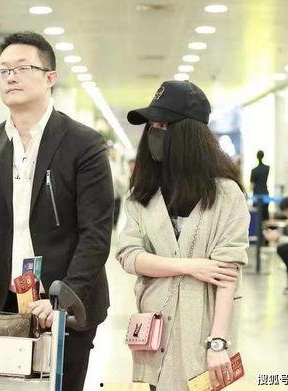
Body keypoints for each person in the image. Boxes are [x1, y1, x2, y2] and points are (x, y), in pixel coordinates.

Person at [0, 31, 114, 391]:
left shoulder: (84, 144)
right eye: (3, 71)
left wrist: (66, 297)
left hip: (66, 300)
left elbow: (96, 232)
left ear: (50, 78)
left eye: (21, 68)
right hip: (8, 300)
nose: (11, 77)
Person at [116, 80, 249, 391]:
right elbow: (129, 256)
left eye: (164, 125)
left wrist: (218, 342)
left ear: (190, 133)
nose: (155, 133)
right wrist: (191, 266)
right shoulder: (143, 193)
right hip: (154, 330)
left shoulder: (226, 195)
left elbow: (227, 273)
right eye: (152, 125)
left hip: (203, 332)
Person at [250, 150, 270, 221]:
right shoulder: (267, 168)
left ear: (257, 157)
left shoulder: (254, 170)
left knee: (256, 214)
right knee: (265, 213)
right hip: (265, 192)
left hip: (256, 194)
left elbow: (252, 184)